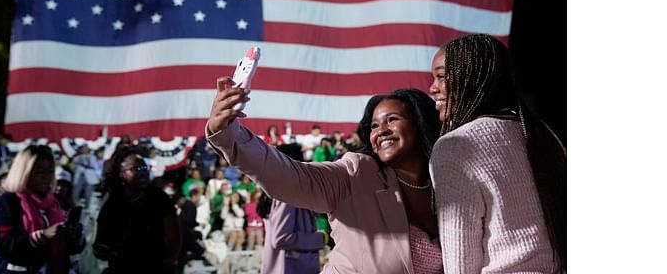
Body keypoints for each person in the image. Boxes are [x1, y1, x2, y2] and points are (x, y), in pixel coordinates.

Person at [207, 81, 443, 273]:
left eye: (392, 119)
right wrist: (228, 133)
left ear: (420, 124)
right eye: (373, 125)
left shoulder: (447, 186)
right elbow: (288, 176)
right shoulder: (356, 174)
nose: (380, 130)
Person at [428, 33, 567, 273]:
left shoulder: (455, 146)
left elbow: (461, 259)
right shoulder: (543, 135)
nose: (432, 88)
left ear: (472, 78)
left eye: (441, 77)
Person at [0, 145, 85, 274]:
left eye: (50, 171)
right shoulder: (9, 201)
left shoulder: (59, 201)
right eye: (39, 172)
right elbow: (3, 246)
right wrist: (42, 235)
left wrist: (75, 235)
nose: (46, 177)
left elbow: (73, 249)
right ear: (24, 172)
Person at [92, 146, 180, 274]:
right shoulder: (113, 204)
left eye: (144, 167)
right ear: (121, 174)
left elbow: (174, 234)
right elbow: (101, 245)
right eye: (136, 169)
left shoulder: (158, 197)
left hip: (155, 267)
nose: (143, 172)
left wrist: (171, 258)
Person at [260, 144, 325, 274]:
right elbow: (281, 238)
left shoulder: (284, 189)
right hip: (291, 266)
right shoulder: (287, 193)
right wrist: (320, 239)